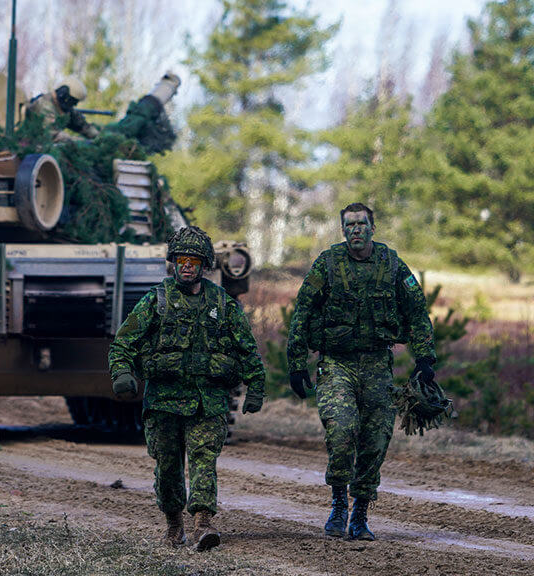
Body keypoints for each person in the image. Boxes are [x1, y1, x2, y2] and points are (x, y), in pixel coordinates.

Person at [109, 226, 266, 550]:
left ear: (205, 264)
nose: (187, 266)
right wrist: (122, 374)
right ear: (173, 263)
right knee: (167, 467)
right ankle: (173, 525)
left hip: (207, 402)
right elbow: (123, 344)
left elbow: (246, 349)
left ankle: (203, 524)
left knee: (203, 461)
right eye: (181, 260)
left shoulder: (222, 304)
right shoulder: (157, 300)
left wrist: (256, 386)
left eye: (193, 261)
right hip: (164, 402)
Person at [286, 202, 436, 541]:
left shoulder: (392, 264)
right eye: (350, 224)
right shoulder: (328, 263)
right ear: (343, 230)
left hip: (377, 365)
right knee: (342, 432)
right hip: (337, 364)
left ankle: (361, 514)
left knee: (376, 439)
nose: (356, 230)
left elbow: (416, 312)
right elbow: (303, 312)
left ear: (372, 227)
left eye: (362, 224)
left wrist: (425, 359)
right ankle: (339, 502)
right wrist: (296, 364)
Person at [26, 77, 100, 141]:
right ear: (64, 94)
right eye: (73, 100)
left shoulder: (64, 108)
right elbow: (53, 134)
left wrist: (99, 137)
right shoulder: (45, 104)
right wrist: (79, 141)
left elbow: (82, 125)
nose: (75, 104)